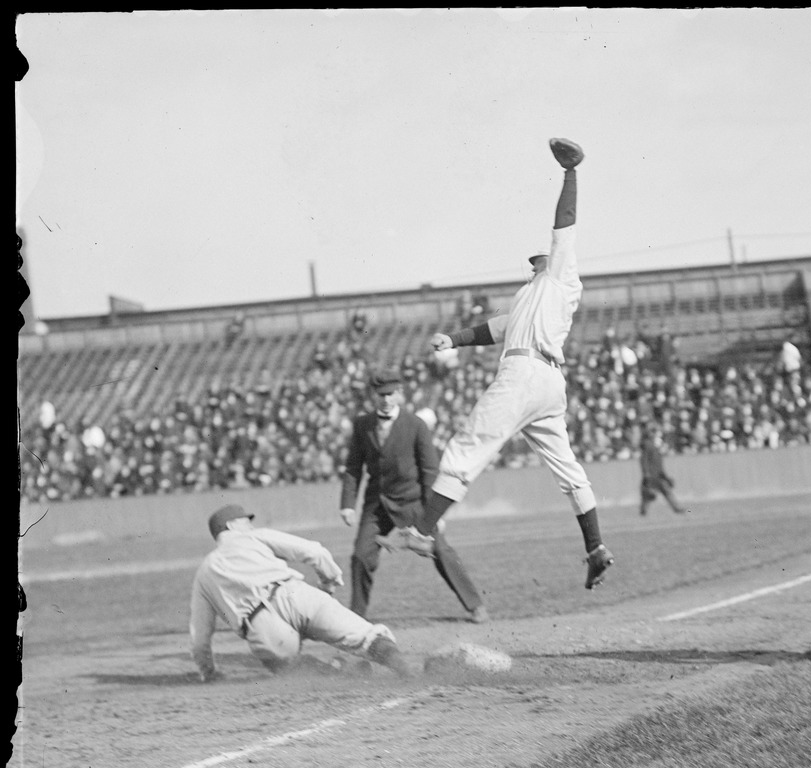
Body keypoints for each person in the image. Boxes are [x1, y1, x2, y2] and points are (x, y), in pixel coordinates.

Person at [422, 137, 614, 590]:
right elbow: (494, 328)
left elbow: (563, 225)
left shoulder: (562, 277)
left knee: (470, 444)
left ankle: (420, 529)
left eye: (538, 262)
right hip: (549, 382)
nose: (534, 266)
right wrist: (453, 338)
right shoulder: (532, 298)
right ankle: (595, 547)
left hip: (526, 373)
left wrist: (570, 174)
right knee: (568, 470)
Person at [189, 504, 414, 682]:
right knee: (366, 636)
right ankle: (410, 673)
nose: (250, 525)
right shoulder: (253, 537)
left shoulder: (204, 572)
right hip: (295, 595)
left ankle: (340, 674)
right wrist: (327, 583)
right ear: (230, 525)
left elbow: (200, 639)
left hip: (260, 626)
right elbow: (315, 552)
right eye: (245, 521)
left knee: (289, 668)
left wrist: (208, 673)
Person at [340, 370, 487, 623]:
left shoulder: (415, 425)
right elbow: (353, 468)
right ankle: (357, 617)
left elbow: (430, 470)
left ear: (399, 394)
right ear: (374, 395)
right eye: (380, 395)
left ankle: (475, 606)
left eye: (390, 394)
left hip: (414, 503)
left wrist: (434, 512)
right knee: (360, 556)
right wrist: (347, 505)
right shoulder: (362, 425)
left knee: (441, 550)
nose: (385, 399)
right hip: (377, 506)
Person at [639, 426, 687, 516]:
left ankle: (677, 508)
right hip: (651, 475)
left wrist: (664, 475)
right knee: (648, 494)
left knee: (665, 491)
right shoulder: (648, 445)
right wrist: (646, 474)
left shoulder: (655, 446)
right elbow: (644, 461)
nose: (659, 435)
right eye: (656, 433)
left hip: (659, 474)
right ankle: (643, 511)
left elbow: (658, 464)